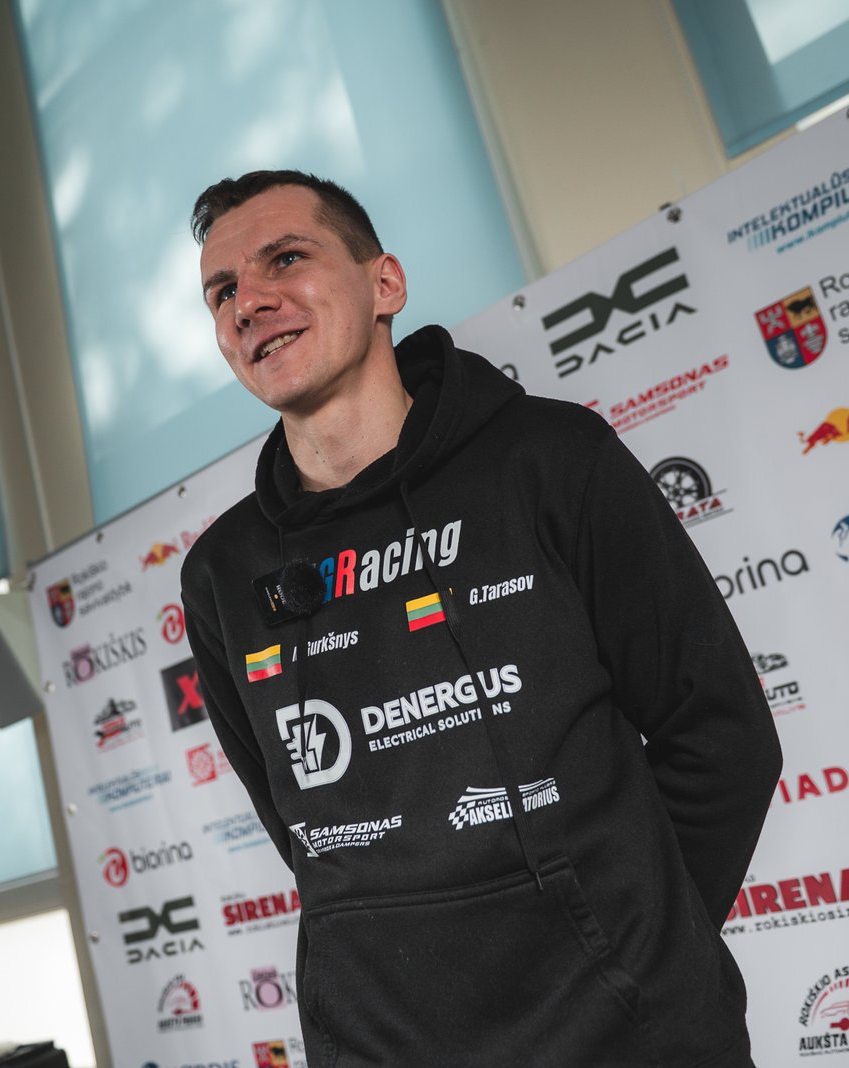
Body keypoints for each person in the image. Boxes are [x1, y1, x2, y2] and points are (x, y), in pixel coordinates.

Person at [180, 169, 782, 1067]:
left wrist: (634, 950)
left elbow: (721, 735)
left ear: (386, 284)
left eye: (286, 259)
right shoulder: (221, 574)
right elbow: (302, 833)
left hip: (631, 1035)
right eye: (222, 291)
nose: (248, 302)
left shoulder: (552, 459)